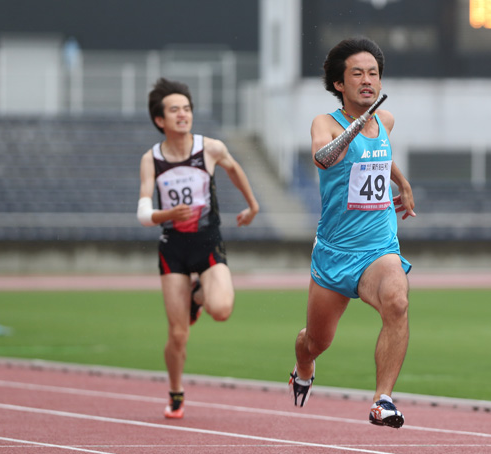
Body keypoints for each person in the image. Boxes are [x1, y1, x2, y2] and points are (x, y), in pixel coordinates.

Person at [289, 38, 416, 428]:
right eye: (357, 73)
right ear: (339, 83)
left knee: (397, 302)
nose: (367, 80)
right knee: (316, 341)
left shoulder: (386, 121)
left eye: (373, 73)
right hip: (334, 252)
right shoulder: (325, 124)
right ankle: (303, 365)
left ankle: (383, 400)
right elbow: (323, 157)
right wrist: (355, 127)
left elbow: (380, 153)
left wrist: (402, 183)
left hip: (378, 246)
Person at [137, 78, 259, 419]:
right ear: (160, 120)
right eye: (174, 110)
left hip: (207, 242)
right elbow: (144, 213)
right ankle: (176, 392)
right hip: (172, 248)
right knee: (178, 334)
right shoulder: (152, 159)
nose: (183, 115)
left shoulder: (210, 148)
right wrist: (167, 214)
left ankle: (198, 296)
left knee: (221, 309)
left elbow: (234, 169)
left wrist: (252, 205)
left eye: (187, 109)